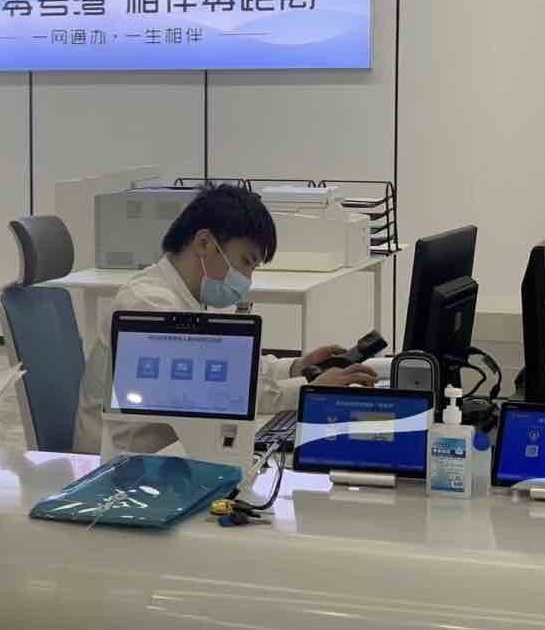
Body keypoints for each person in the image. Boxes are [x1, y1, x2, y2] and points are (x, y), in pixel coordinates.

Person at [74, 184, 376, 454]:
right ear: (204, 243)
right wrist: (310, 392)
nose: (246, 279)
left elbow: (229, 371)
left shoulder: (182, 298)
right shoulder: (149, 305)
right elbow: (218, 396)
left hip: (165, 453)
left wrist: (297, 367)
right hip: (123, 465)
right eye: (245, 262)